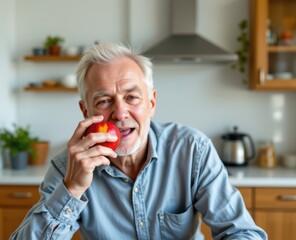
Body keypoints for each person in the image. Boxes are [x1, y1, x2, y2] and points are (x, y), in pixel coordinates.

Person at [10, 42, 267, 240]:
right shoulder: (68, 167)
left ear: (151, 103)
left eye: (132, 97)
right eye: (103, 101)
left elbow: (243, 232)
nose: (120, 113)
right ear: (86, 112)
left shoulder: (191, 150)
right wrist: (72, 189)